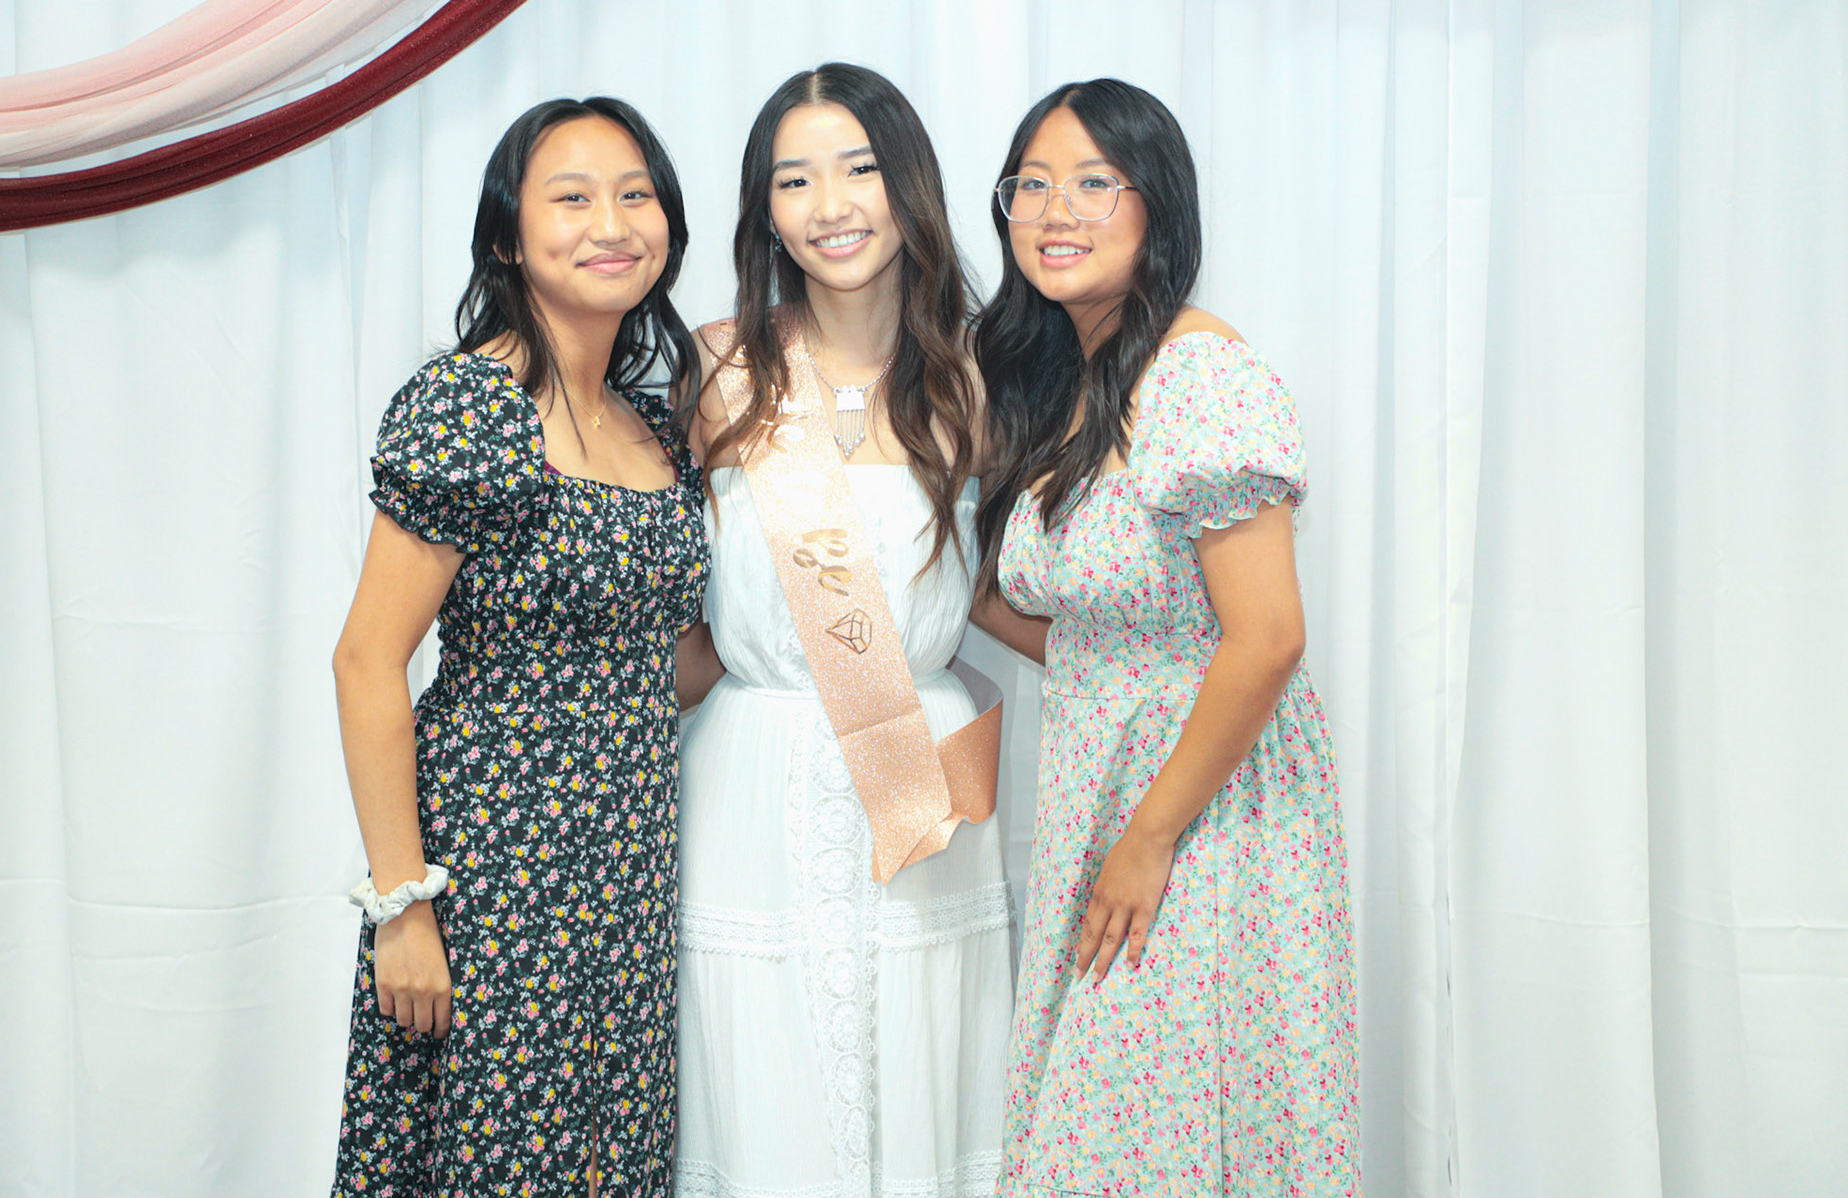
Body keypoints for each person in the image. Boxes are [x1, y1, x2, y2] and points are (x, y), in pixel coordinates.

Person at [971, 79, 1361, 1195]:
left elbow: (1267, 639)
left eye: (1095, 182)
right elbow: (1082, 627)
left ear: (1160, 207)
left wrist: (1148, 838)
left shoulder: (1200, 374)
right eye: (1032, 184)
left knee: (1154, 1131)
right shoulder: (1068, 381)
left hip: (1206, 809)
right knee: (1121, 1132)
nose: (1057, 209)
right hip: (1105, 792)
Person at [328, 97, 710, 1198]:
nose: (613, 224)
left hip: (629, 868)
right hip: (496, 869)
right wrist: (404, 907)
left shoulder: (655, 423)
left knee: (609, 1158)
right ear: (507, 235)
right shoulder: (471, 406)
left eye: (636, 195)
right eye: (572, 198)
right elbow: (366, 660)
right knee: (503, 1159)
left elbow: (671, 665)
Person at [676, 62, 1014, 1196]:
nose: (831, 205)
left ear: (908, 183)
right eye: (794, 179)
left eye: (860, 168)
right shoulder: (718, 367)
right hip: (755, 773)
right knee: (764, 1076)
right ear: (765, 211)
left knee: (921, 1060)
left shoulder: (976, 371)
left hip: (919, 769)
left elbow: (997, 586)